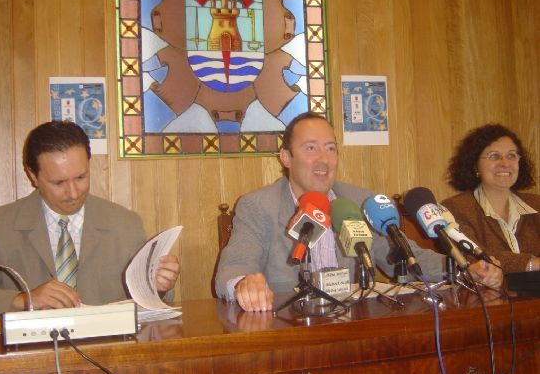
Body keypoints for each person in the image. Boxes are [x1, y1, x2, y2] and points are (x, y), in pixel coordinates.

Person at [215, 112, 502, 312]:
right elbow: (235, 265)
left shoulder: (360, 201)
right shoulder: (259, 205)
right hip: (290, 329)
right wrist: (243, 283)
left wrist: (463, 269)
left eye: (330, 149)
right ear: (286, 157)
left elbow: (403, 256)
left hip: (354, 324)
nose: (323, 160)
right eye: (311, 148)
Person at [0, 121, 180, 315]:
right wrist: (23, 300)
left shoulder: (125, 224)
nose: (73, 193)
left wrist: (159, 286)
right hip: (31, 345)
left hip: (110, 343)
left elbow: (146, 301)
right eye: (58, 182)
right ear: (33, 176)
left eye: (81, 177)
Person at [442, 124, 540, 274]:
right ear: (475, 165)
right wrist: (532, 264)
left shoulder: (536, 204)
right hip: (489, 295)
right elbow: (474, 257)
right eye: (494, 156)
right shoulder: (455, 208)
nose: (505, 163)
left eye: (511, 155)